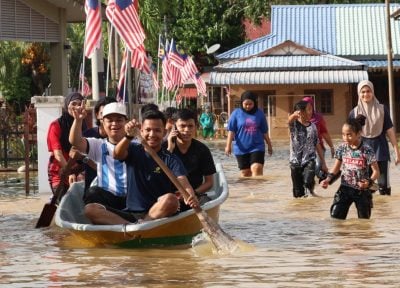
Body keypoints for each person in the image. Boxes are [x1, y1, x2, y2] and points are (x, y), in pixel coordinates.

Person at [113, 109, 199, 223]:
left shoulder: (171, 159)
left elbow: (183, 182)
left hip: (160, 213)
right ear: (141, 131)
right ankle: (132, 227)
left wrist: (191, 195)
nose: (152, 135)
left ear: (164, 133)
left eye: (157, 130)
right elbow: (117, 154)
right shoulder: (132, 150)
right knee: (91, 209)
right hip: (132, 213)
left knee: (171, 200)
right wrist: (128, 136)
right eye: (148, 130)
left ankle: (141, 227)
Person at [69, 102, 130, 225]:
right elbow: (75, 141)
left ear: (126, 122)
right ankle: (130, 226)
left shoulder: (137, 144)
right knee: (91, 202)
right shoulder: (98, 145)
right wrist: (78, 120)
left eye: (119, 120)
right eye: (110, 120)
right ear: (103, 122)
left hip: (133, 198)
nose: (114, 124)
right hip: (108, 200)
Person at [321, 115, 380, 220]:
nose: (345, 138)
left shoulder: (367, 150)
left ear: (358, 134)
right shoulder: (342, 148)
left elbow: (376, 172)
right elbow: (336, 168)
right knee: (336, 219)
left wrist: (368, 182)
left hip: (361, 191)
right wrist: (327, 179)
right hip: (344, 189)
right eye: (343, 134)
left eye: (349, 135)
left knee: (364, 223)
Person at [349, 80, 400, 195]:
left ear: (373, 92)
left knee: (383, 187)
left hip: (380, 151)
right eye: (363, 92)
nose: (366, 94)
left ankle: (384, 212)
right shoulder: (354, 113)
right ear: (359, 93)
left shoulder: (382, 109)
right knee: (365, 187)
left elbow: (390, 131)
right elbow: (350, 136)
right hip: (362, 153)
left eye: (368, 91)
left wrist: (397, 151)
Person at [165, 108, 216, 208]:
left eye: (190, 126)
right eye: (182, 126)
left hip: (196, 196)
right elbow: (157, 175)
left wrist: (192, 194)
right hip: (169, 196)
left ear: (196, 127)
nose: (187, 130)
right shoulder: (164, 148)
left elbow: (209, 183)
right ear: (174, 127)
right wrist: (169, 149)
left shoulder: (202, 150)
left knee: (206, 202)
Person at [47, 92, 86, 197]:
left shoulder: (85, 125)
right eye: (73, 104)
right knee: (63, 203)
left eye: (79, 104)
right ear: (66, 105)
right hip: (59, 171)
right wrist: (69, 172)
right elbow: (58, 154)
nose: (77, 107)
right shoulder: (56, 125)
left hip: (79, 171)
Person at [225, 91, 273, 177]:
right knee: (245, 173)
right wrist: (228, 146)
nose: (248, 106)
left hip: (257, 146)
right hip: (241, 148)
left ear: (254, 102)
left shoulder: (260, 114)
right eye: (245, 104)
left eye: (250, 104)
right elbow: (231, 131)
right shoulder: (236, 113)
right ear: (241, 103)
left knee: (256, 168)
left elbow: (264, 131)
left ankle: (258, 190)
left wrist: (269, 145)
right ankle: (248, 190)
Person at [288, 100, 328, 198]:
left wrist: (323, 163)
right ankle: (304, 208)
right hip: (295, 161)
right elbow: (288, 121)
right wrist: (294, 115)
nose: (311, 112)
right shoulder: (293, 125)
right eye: (308, 109)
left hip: (309, 159)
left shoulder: (313, 126)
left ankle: (310, 188)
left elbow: (317, 144)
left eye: (311, 109)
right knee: (298, 194)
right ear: (300, 112)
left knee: (307, 181)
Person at [82, 97, 117, 191]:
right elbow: (75, 149)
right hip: (92, 188)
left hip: (116, 189)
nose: (106, 117)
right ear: (97, 115)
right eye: (103, 114)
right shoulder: (88, 136)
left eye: (111, 115)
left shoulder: (125, 140)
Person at [302, 96, 335, 179]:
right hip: (305, 150)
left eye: (309, 108)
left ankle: (327, 177)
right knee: (307, 172)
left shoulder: (318, 118)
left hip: (319, 148)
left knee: (316, 169)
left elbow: (324, 133)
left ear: (312, 107)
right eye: (305, 108)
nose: (308, 111)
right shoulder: (300, 119)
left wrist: (331, 147)